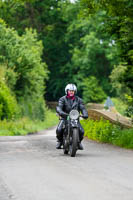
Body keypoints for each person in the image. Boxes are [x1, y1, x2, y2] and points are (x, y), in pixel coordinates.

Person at [56, 83, 88, 150]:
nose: (71, 92)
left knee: (81, 131)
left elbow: (83, 108)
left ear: (74, 92)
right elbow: (59, 107)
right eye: (70, 91)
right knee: (59, 130)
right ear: (67, 91)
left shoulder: (79, 100)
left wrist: (85, 114)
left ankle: (78, 142)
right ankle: (60, 141)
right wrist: (61, 112)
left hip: (75, 118)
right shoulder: (62, 99)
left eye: (72, 91)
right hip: (65, 117)